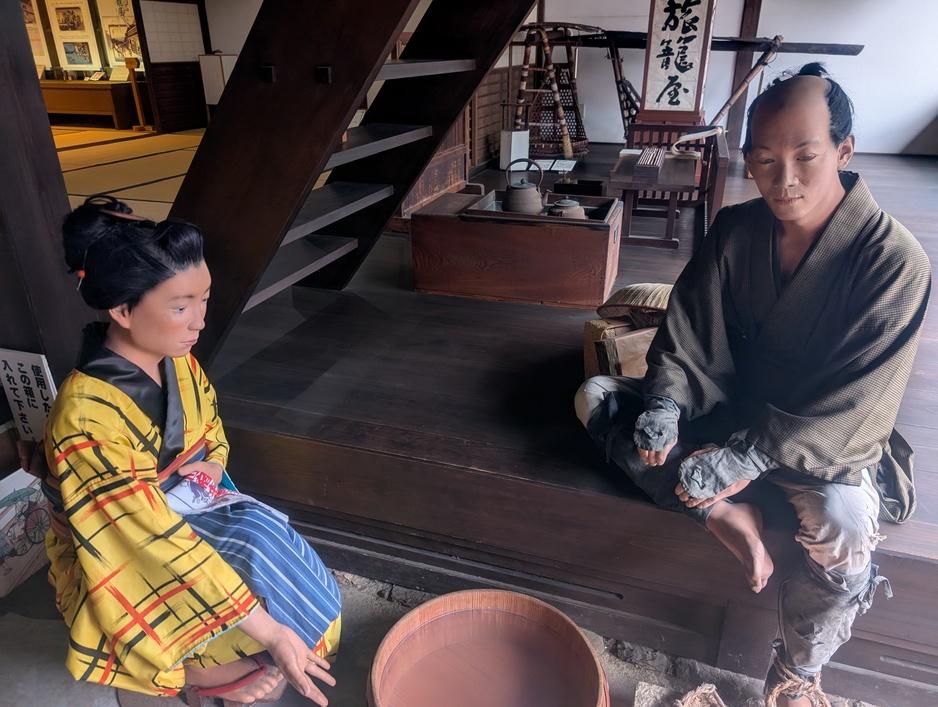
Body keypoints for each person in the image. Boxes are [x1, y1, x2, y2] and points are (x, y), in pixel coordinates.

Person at [575, 63, 931, 705]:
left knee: (845, 525)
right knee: (596, 397)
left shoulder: (892, 259)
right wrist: (665, 403)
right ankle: (723, 514)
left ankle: (798, 673)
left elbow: (858, 403)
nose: (783, 178)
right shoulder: (737, 230)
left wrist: (748, 457)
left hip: (816, 443)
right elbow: (688, 333)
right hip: (727, 412)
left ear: (844, 151)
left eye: (805, 156)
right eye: (764, 160)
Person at [38, 196, 342, 706]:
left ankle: (231, 642)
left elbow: (211, 428)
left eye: (204, 299)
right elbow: (147, 536)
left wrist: (214, 463)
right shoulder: (86, 415)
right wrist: (270, 634)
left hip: (185, 504)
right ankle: (194, 668)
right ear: (123, 310)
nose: (199, 321)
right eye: (180, 307)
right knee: (181, 571)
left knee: (262, 538)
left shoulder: (179, 362)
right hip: (122, 540)